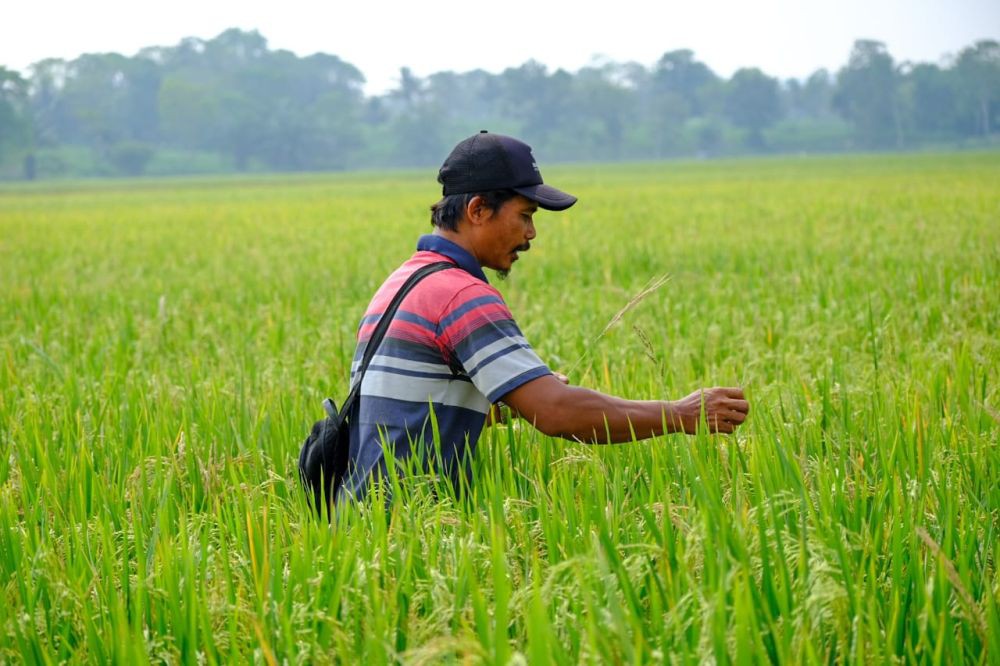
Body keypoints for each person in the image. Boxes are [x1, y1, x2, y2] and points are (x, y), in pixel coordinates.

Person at [339, 131, 749, 503]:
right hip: (403, 524)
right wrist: (681, 414)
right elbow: (556, 413)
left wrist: (513, 399)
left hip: (362, 520)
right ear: (479, 209)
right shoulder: (461, 294)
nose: (531, 234)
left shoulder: (404, 281)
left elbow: (410, 412)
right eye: (525, 215)